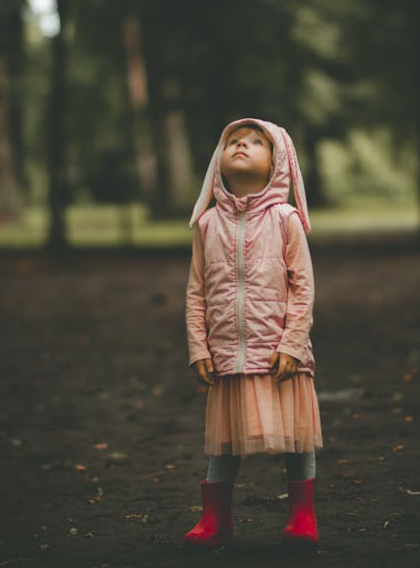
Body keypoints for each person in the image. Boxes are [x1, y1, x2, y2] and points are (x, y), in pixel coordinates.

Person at [183, 118, 323, 549]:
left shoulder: (286, 219)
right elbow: (196, 291)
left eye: (255, 142)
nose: (241, 146)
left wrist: (293, 344)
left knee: (296, 437)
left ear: (277, 162)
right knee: (223, 443)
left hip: (281, 353)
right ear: (218, 162)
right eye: (233, 142)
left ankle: (303, 518)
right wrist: (198, 347)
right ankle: (215, 520)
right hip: (227, 353)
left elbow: (304, 286)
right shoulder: (207, 225)